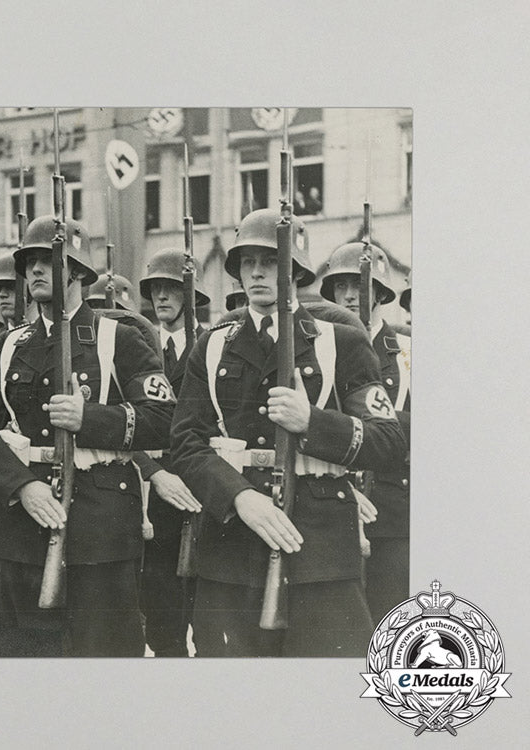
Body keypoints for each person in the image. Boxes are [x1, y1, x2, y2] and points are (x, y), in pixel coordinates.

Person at [170, 208, 406, 657]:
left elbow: (388, 442)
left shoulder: (341, 342)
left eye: (270, 260)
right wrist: (238, 497)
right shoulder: (213, 345)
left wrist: (312, 423)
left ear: (294, 270)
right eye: (247, 261)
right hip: (231, 543)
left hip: (319, 551)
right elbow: (185, 441)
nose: (257, 271)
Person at [0, 215, 175, 657]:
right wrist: (21, 485)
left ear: (77, 271)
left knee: (104, 659)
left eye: (47, 260)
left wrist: (90, 418)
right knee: (23, 658)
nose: (35, 270)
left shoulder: (121, 339)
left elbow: (163, 419)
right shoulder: (8, 347)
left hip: (101, 526)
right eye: (29, 262)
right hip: (23, 524)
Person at [319, 242, 411, 622]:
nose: (350, 294)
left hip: (389, 509)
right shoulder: (320, 347)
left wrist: (381, 425)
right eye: (341, 285)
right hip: (331, 503)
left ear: (382, 292)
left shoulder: (407, 350)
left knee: (390, 618)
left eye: (360, 284)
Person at [133, 247, 209, 656]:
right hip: (153, 492)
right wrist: (149, 471)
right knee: (161, 617)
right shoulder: (138, 348)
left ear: (190, 294)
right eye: (155, 289)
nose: (161, 297)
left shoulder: (211, 345)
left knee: (209, 616)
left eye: (172, 289)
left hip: (201, 487)